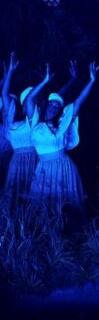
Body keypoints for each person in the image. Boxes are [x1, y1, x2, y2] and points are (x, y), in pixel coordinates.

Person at [29, 61, 99, 211]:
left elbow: (79, 101)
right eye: (51, 105)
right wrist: (45, 80)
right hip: (43, 167)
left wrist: (92, 80)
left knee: (67, 203)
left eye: (57, 107)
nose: (54, 108)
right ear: (46, 105)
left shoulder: (62, 124)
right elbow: (29, 99)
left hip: (64, 166)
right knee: (44, 204)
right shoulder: (35, 121)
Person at [2, 54, 45, 207]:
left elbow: (31, 99)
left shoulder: (33, 119)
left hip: (32, 158)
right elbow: (4, 95)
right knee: (14, 194)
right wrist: (11, 71)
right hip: (17, 159)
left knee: (32, 192)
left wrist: (44, 80)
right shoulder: (12, 121)